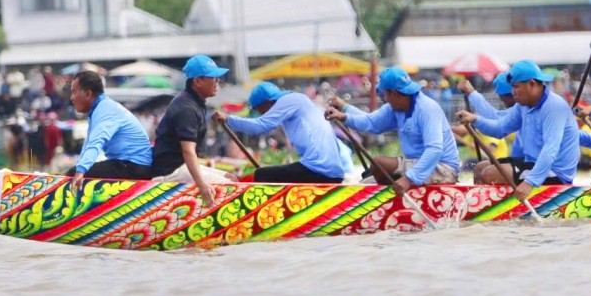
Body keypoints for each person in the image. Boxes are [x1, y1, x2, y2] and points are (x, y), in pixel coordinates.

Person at [456, 61, 579, 198]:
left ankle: (497, 210)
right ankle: (479, 209)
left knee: (490, 173)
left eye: (515, 87)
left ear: (532, 84)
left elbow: (550, 149)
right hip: (531, 162)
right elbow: (499, 129)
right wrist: (474, 120)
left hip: (555, 171)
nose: (513, 93)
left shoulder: (554, 107)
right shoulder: (523, 106)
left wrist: (530, 182)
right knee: (479, 168)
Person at [327, 67, 460, 190]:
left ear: (394, 94)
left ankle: (395, 193)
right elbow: (371, 122)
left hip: (442, 168)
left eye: (385, 94)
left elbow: (434, 150)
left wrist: (408, 179)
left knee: (379, 163)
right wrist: (344, 113)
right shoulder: (396, 108)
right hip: (419, 166)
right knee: (369, 177)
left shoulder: (427, 108)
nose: (385, 99)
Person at [213, 81, 346, 184]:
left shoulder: (288, 100)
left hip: (320, 170)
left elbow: (261, 126)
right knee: (276, 172)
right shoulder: (299, 102)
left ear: (269, 102)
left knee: (261, 175)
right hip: (330, 171)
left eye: (260, 109)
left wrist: (229, 119)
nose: (261, 113)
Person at [149, 55, 227, 205]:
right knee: (227, 186)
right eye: (213, 77)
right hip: (170, 172)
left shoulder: (195, 102)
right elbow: (188, 151)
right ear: (197, 81)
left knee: (232, 178)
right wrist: (202, 185)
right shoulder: (186, 108)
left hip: (181, 167)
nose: (217, 81)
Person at [69, 70, 154, 188]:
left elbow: (96, 143)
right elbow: (88, 145)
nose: (71, 98)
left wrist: (80, 171)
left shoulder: (105, 110)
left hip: (134, 167)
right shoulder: (99, 109)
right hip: (128, 165)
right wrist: (78, 168)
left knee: (73, 174)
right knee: (73, 172)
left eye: (73, 92)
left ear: (88, 94)